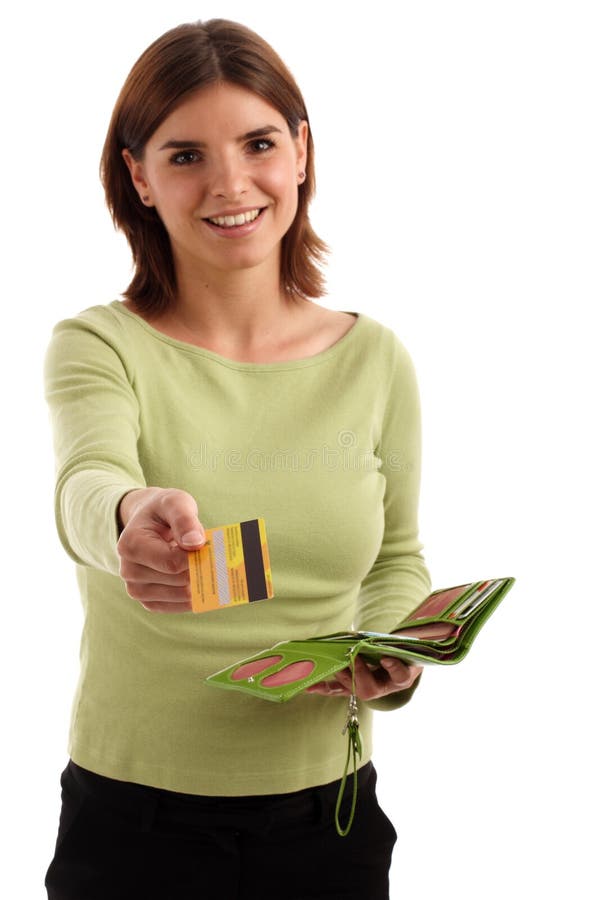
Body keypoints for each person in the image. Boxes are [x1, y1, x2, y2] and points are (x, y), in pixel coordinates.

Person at [44, 18, 436, 900]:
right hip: (132, 828)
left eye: (258, 143)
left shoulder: (376, 360)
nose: (230, 183)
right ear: (138, 175)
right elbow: (84, 481)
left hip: (329, 822)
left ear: (300, 151)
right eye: (185, 155)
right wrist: (126, 518)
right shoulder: (98, 344)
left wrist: (399, 651)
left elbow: (397, 558)